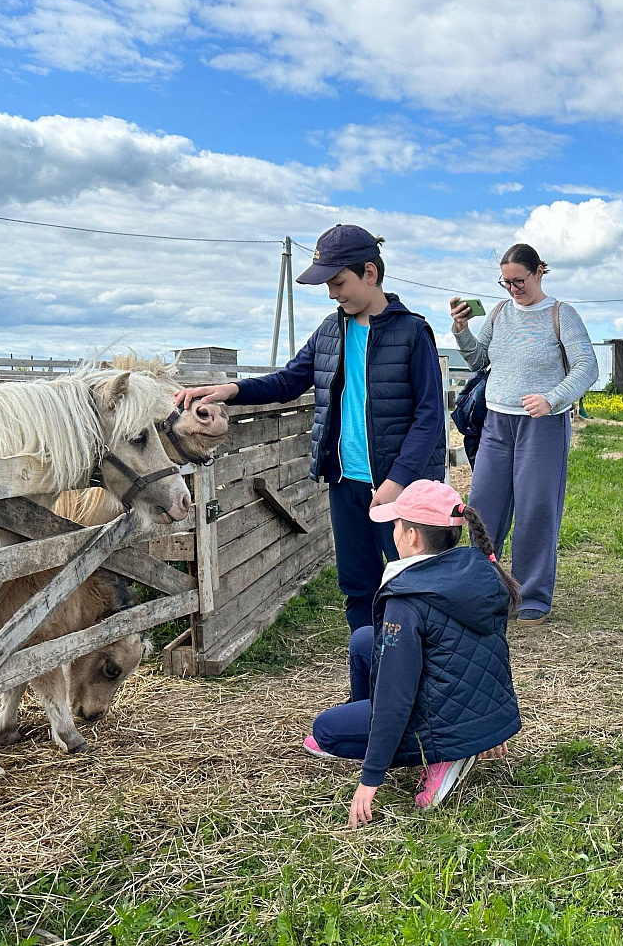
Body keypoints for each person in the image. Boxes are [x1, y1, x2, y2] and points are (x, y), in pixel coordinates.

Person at [175, 224, 445, 631]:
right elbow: (288, 381)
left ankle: (415, 678)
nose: (333, 293)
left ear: (370, 273)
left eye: (339, 282)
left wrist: (397, 482)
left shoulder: (412, 333)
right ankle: (368, 676)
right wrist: (230, 389)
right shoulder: (329, 331)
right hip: (345, 482)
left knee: (413, 585)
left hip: (400, 489)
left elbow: (429, 417)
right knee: (358, 587)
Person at [303, 479, 522, 823]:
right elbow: (488, 657)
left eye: (396, 524)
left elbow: (396, 695)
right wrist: (490, 727)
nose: (392, 531)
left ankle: (442, 757)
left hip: (438, 725)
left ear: (412, 536)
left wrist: (371, 777)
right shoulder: (480, 569)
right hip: (466, 709)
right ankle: (450, 738)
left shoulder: (407, 600)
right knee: (364, 639)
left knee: (324, 731)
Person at [450, 244, 598, 623]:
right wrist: (461, 331)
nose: (513, 288)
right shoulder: (499, 313)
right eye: (507, 282)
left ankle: (532, 596)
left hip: (543, 426)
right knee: (482, 507)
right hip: (496, 423)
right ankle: (482, 588)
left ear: (539, 272)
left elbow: (587, 368)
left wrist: (553, 398)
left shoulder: (561, 314)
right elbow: (479, 361)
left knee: (536, 509)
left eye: (520, 280)